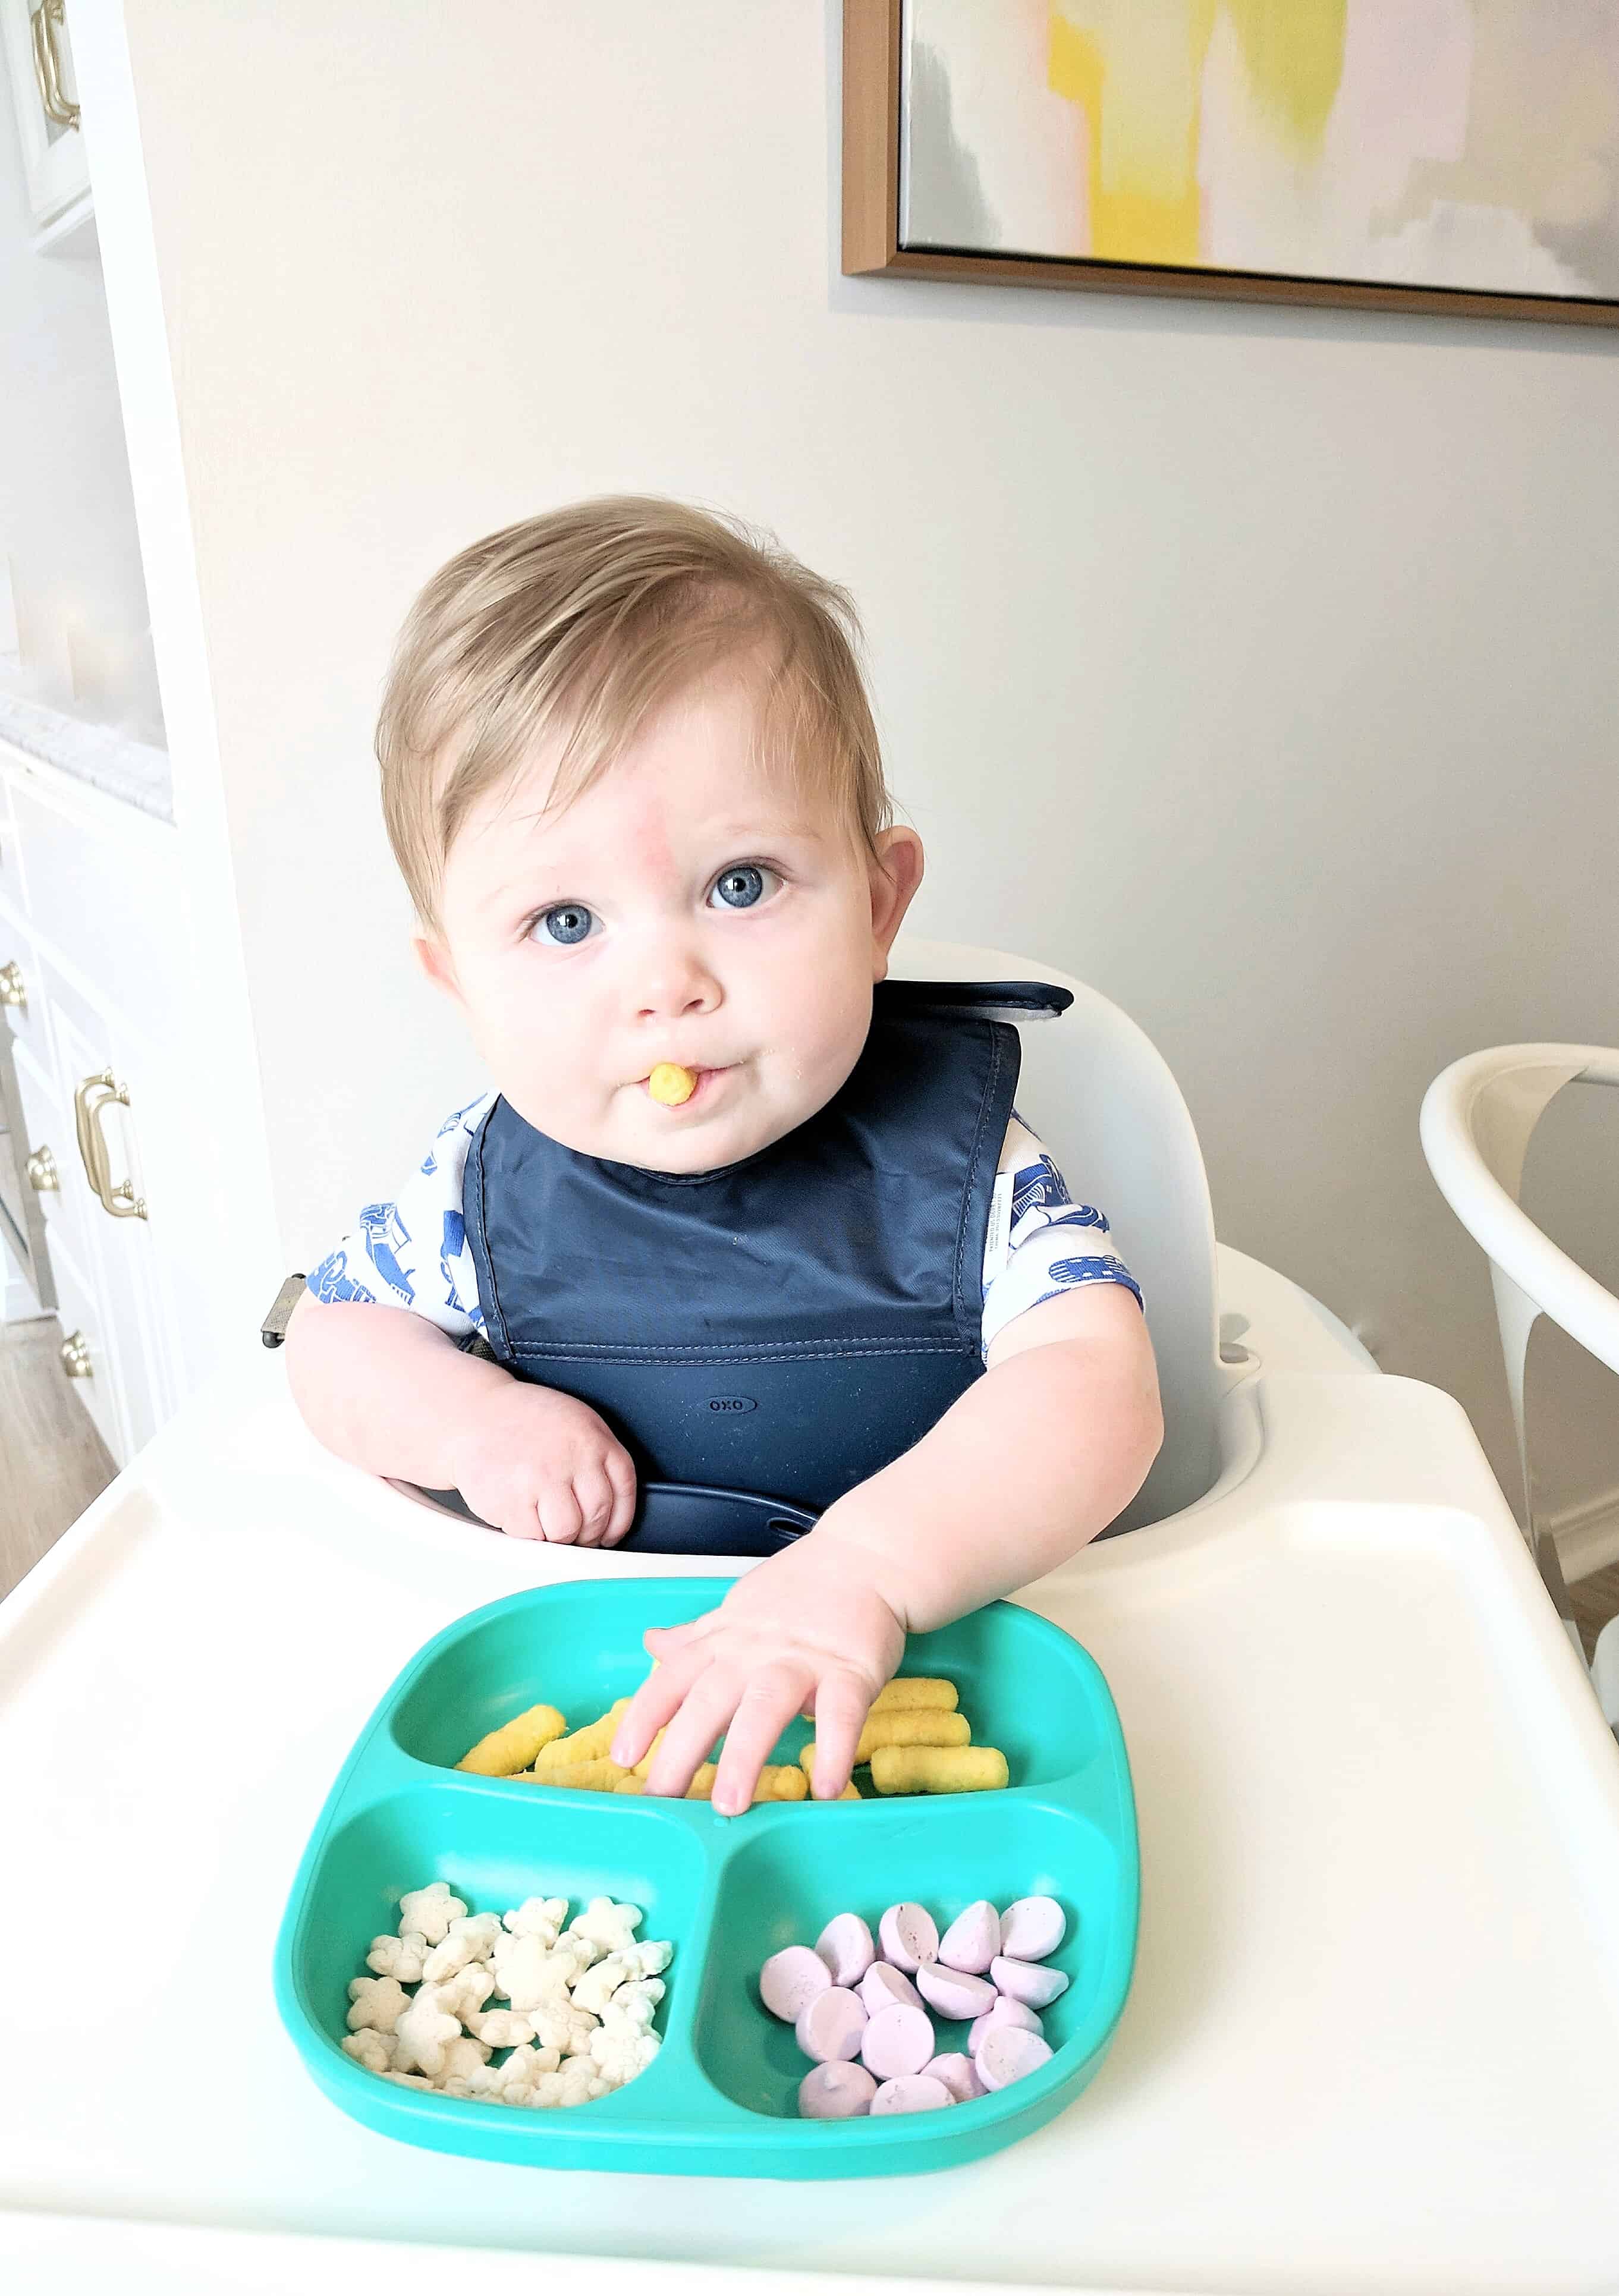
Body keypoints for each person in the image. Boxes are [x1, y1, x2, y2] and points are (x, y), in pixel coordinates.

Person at [285, 497, 1162, 1812]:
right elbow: (333, 1344)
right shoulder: (470, 1192)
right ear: (456, 981)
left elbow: (1100, 1384)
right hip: (606, 1721)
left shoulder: (969, 1169)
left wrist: (864, 1570)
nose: (665, 983)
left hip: (920, 1713)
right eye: (564, 919)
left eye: (739, 885)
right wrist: (473, 1420)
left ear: (878, 905)